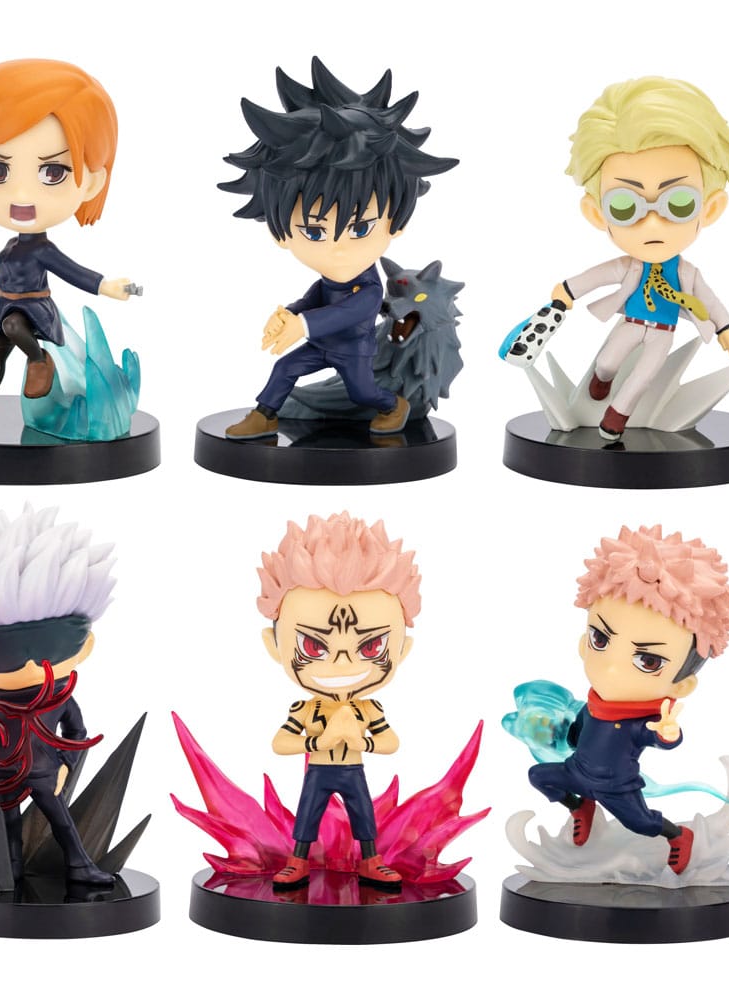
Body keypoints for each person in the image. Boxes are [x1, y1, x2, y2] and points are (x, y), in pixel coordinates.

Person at [220, 58, 457, 438]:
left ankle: (392, 404)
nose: (339, 249)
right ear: (280, 235)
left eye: (360, 228)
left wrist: (302, 324)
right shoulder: (330, 281)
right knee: (284, 368)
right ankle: (265, 415)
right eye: (314, 232)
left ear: (398, 223)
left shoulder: (371, 290)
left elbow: (347, 311)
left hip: (353, 352)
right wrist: (290, 313)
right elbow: (317, 297)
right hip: (319, 344)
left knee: (362, 392)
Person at [528, 525, 729, 873]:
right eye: (599, 639)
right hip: (576, 772)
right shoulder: (593, 705)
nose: (611, 667)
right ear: (583, 642)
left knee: (641, 823)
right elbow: (577, 733)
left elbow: (664, 738)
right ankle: (579, 807)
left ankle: (677, 835)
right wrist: (558, 732)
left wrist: (668, 731)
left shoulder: (639, 722)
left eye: (648, 661)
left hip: (616, 787)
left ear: (682, 684)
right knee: (538, 776)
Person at [549, 78, 729, 440]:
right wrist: (567, 290)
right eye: (625, 206)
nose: (652, 222)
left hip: (662, 333)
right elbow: (596, 276)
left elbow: (711, 301)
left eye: (678, 203)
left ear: (710, 208)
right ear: (597, 214)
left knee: (643, 376)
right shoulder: (630, 266)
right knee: (607, 361)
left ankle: (616, 417)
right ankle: (602, 380)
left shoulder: (687, 273)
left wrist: (726, 328)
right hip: (630, 323)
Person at [0, 504, 118, 884]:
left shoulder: (59, 699)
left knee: (62, 822)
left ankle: (79, 866)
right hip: (2, 772)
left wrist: (66, 765)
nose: (30, 663)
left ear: (84, 647)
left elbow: (77, 732)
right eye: (3, 654)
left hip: (45, 772)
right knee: (8, 829)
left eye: (50, 649)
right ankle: (9, 873)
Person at [0, 59, 134, 423]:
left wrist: (105, 286)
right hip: (8, 304)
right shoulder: (10, 248)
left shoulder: (42, 249)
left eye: (53, 172)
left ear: (92, 182)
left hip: (32, 310)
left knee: (13, 328)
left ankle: (38, 359)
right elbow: (5, 273)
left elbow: (71, 271)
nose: (22, 195)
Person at [257, 512, 420, 887]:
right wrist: (320, 741)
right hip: (319, 768)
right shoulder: (306, 709)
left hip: (352, 768)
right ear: (275, 646)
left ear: (402, 650)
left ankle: (370, 860)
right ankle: (298, 860)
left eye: (371, 646)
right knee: (307, 813)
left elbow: (390, 742)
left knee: (364, 813)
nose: (343, 663)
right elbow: (280, 743)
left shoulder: (369, 709)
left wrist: (361, 741)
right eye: (314, 647)